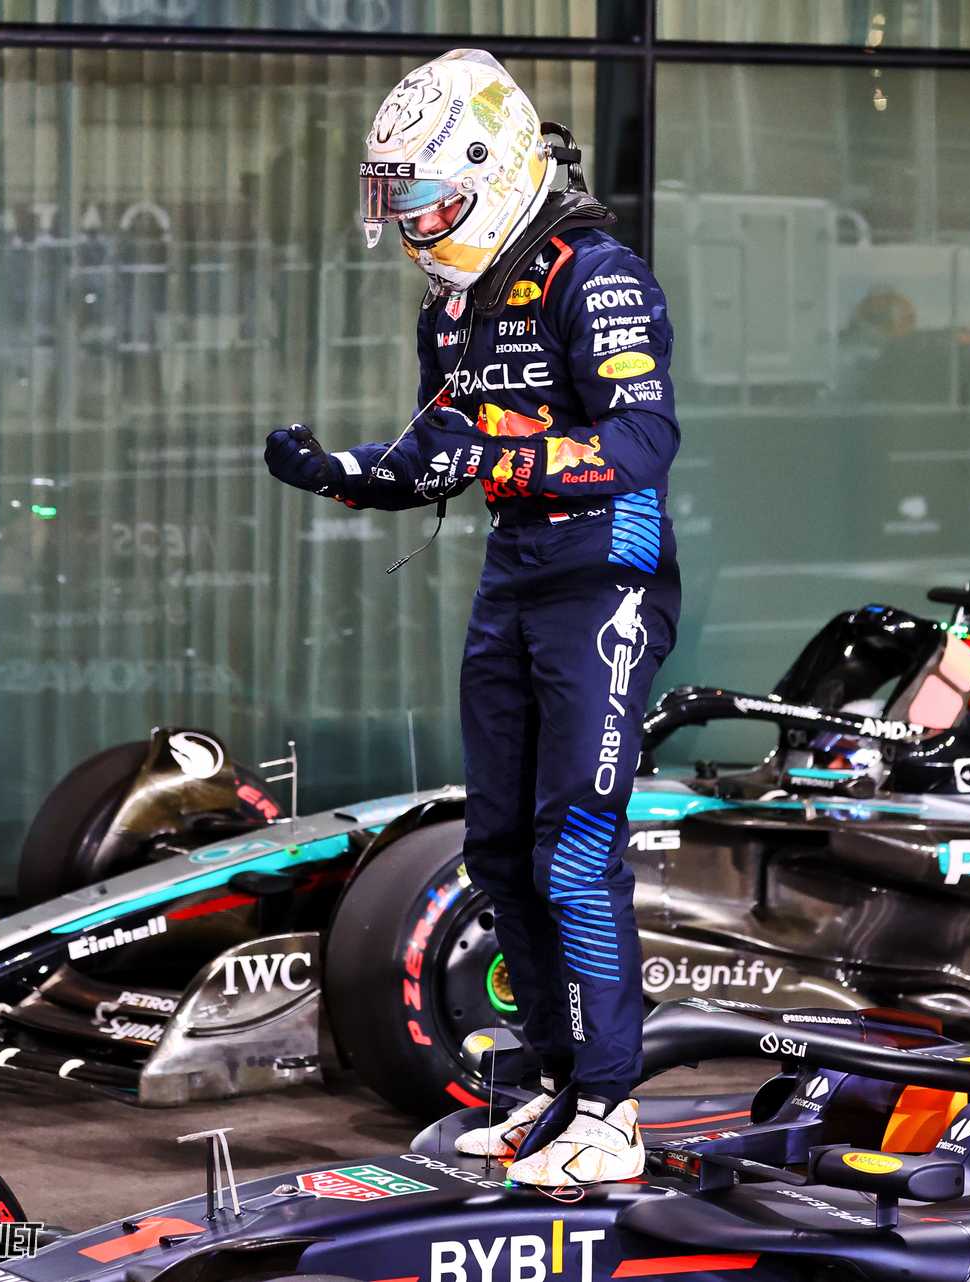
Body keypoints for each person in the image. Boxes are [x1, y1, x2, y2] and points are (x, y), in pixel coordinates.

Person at [263, 48, 681, 1185]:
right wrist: (344, 472)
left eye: (427, 195)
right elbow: (433, 454)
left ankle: (611, 1113)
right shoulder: (453, 309)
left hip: (606, 579)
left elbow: (644, 441)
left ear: (493, 170)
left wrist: (498, 453)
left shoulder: (596, 274)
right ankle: (554, 1090)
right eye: (397, 197)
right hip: (515, 577)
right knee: (496, 851)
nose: (413, 220)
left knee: (573, 852)